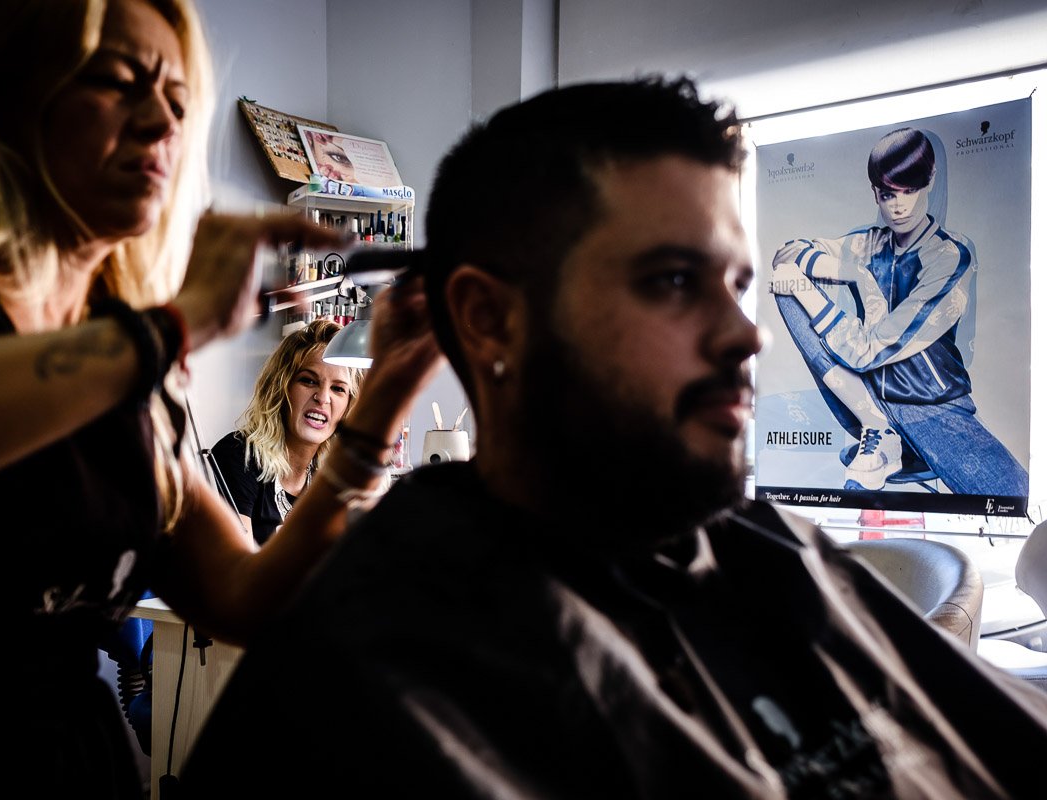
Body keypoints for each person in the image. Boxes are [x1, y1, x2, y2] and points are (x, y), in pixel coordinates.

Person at [182, 78, 1047, 798]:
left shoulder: (767, 551)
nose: (749, 335)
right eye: (672, 280)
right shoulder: (363, 677)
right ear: (488, 319)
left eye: (738, 283)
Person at [0, 0, 441, 795]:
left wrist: (382, 403)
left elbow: (243, 596)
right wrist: (170, 326)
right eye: (121, 81)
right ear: (0, 92)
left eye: (177, 99)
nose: (163, 122)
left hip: (82, 760)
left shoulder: (127, 349)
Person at [770, 127, 1028, 496]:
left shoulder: (949, 256)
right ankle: (878, 429)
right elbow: (788, 253)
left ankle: (888, 433)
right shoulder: (869, 244)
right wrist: (847, 270)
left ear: (930, 182)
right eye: (889, 193)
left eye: (910, 191)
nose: (898, 206)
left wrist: (857, 279)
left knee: (1011, 498)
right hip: (867, 399)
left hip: (930, 406)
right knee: (785, 284)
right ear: (876, 191)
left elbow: (868, 351)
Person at [210, 319, 360, 547]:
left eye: (338, 388)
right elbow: (239, 571)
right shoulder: (240, 456)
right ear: (282, 387)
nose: (323, 397)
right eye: (308, 381)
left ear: (349, 405)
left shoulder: (333, 477)